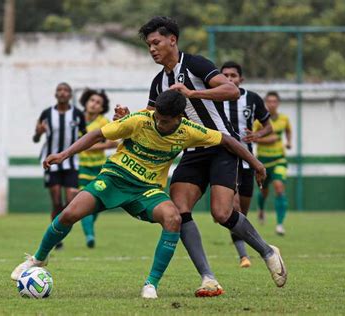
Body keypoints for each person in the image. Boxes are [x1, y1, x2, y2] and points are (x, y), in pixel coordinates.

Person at [10, 90, 281, 299]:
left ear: (179, 118)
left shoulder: (190, 131)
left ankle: (151, 284)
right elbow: (96, 135)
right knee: (69, 212)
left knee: (173, 218)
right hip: (114, 178)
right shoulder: (140, 120)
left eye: (165, 121)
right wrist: (64, 154)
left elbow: (227, 140)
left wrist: (256, 164)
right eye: (158, 118)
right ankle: (38, 258)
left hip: (147, 189)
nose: (159, 124)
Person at [115, 16, 287, 295]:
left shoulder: (195, 64)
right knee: (179, 212)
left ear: (172, 39)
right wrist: (127, 118)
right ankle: (208, 277)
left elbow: (231, 90)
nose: (152, 49)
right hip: (191, 152)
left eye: (156, 42)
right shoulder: (158, 82)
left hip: (222, 148)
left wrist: (192, 93)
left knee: (222, 213)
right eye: (148, 45)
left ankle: (267, 251)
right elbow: (150, 119)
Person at [221, 61, 273, 268]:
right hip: (225, 161)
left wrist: (258, 134)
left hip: (247, 162)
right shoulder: (214, 97)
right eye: (225, 75)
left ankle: (251, 248)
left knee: (242, 213)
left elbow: (269, 126)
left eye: (233, 75)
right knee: (233, 208)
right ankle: (244, 256)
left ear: (241, 79)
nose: (229, 79)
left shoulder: (252, 99)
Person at [33, 82, 86, 249]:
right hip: (52, 163)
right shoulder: (46, 114)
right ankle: (56, 239)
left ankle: (61, 227)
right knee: (56, 202)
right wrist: (39, 132)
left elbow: (85, 136)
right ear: (55, 94)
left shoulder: (78, 114)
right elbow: (35, 138)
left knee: (70, 200)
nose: (62, 93)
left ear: (70, 95)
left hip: (71, 162)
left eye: (65, 90)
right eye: (59, 90)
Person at [78, 89, 117, 248]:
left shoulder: (103, 122)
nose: (94, 104)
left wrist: (94, 146)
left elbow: (114, 142)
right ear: (86, 102)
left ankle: (89, 229)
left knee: (94, 203)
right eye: (92, 100)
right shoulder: (76, 119)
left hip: (99, 168)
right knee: (82, 201)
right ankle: (89, 235)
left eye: (98, 103)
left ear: (102, 108)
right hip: (81, 168)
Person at [254, 91, 292, 235]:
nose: (272, 104)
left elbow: (288, 131)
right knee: (264, 192)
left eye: (274, 101)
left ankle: (280, 224)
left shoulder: (284, 119)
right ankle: (261, 209)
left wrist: (289, 141)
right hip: (262, 161)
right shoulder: (258, 121)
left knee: (279, 187)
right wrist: (267, 140)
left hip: (279, 159)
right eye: (269, 101)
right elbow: (251, 137)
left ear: (278, 103)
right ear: (265, 103)